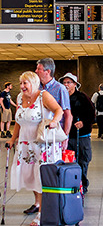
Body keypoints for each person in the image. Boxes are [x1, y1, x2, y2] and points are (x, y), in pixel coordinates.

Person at [7, 71, 63, 226]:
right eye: (21, 83)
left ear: (34, 82)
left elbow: (59, 110)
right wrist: (13, 139)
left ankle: (41, 213)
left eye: (25, 83)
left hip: (42, 143)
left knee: (41, 176)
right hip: (25, 143)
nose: (22, 86)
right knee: (31, 175)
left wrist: (54, 121)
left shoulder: (43, 96)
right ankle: (37, 203)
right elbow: (19, 120)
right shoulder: (19, 97)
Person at [59, 73, 95, 195]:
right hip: (66, 136)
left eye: (69, 82)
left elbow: (91, 114)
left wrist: (83, 122)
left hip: (81, 136)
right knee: (67, 161)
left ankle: (83, 184)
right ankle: (70, 183)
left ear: (75, 84)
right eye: (64, 83)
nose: (66, 85)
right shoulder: (60, 97)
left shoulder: (82, 97)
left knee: (83, 160)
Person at [35, 58, 72, 150]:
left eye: (39, 69)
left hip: (53, 134)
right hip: (38, 133)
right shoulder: (36, 88)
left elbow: (68, 115)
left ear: (47, 72)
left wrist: (65, 136)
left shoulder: (60, 89)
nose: (36, 71)